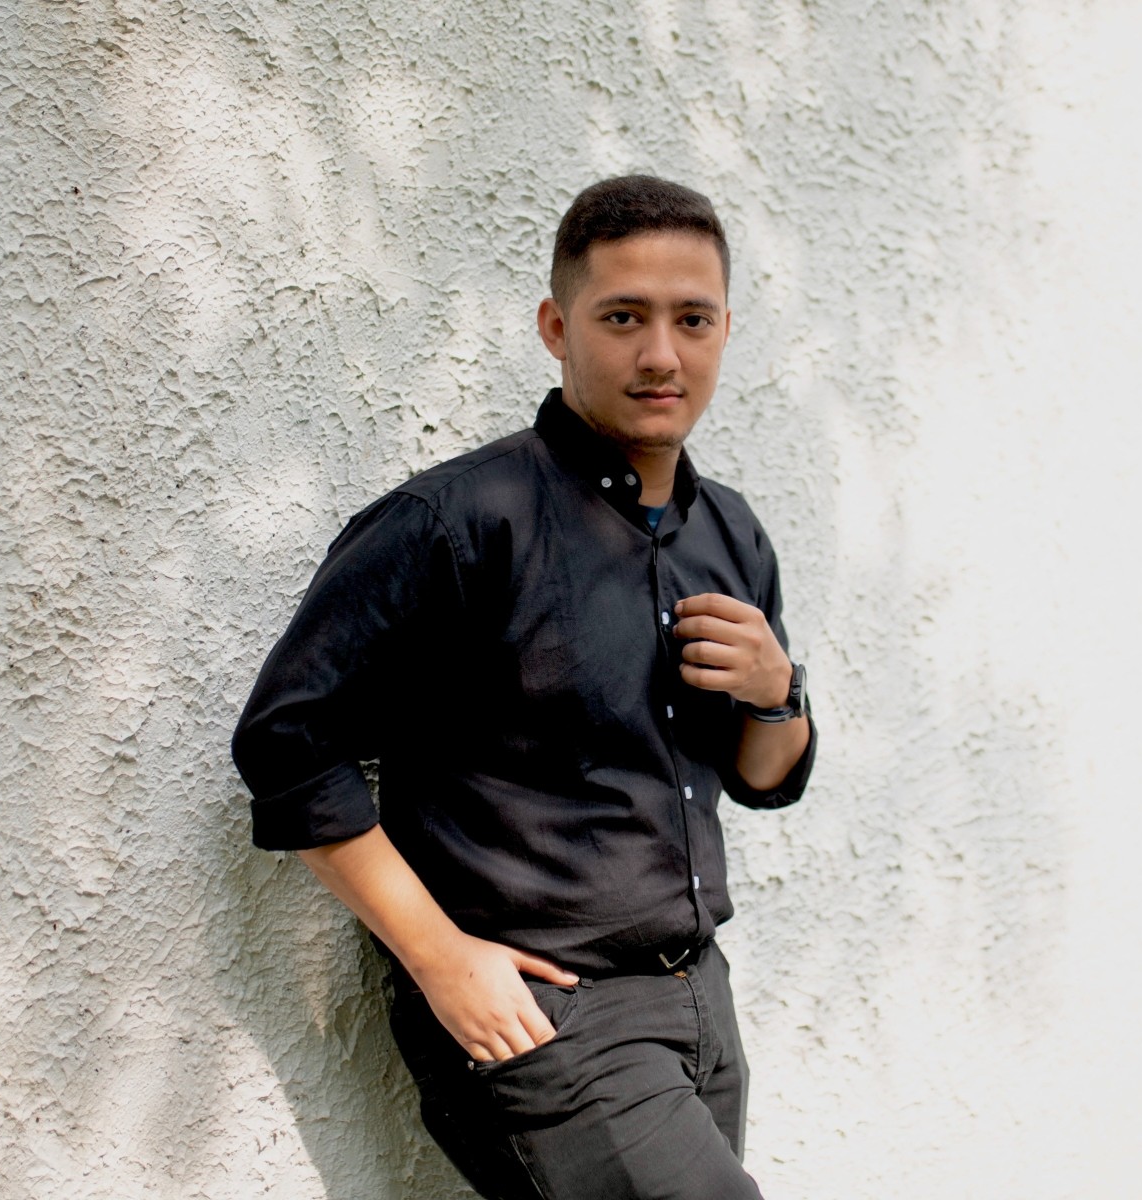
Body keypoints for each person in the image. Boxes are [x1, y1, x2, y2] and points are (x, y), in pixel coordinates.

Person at [231, 175, 817, 1200]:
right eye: (623, 317)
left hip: (700, 1001)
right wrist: (439, 958)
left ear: (726, 330)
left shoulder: (732, 532)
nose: (661, 354)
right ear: (556, 327)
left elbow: (761, 778)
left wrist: (779, 693)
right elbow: (287, 742)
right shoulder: (459, 521)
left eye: (692, 319)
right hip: (551, 1013)